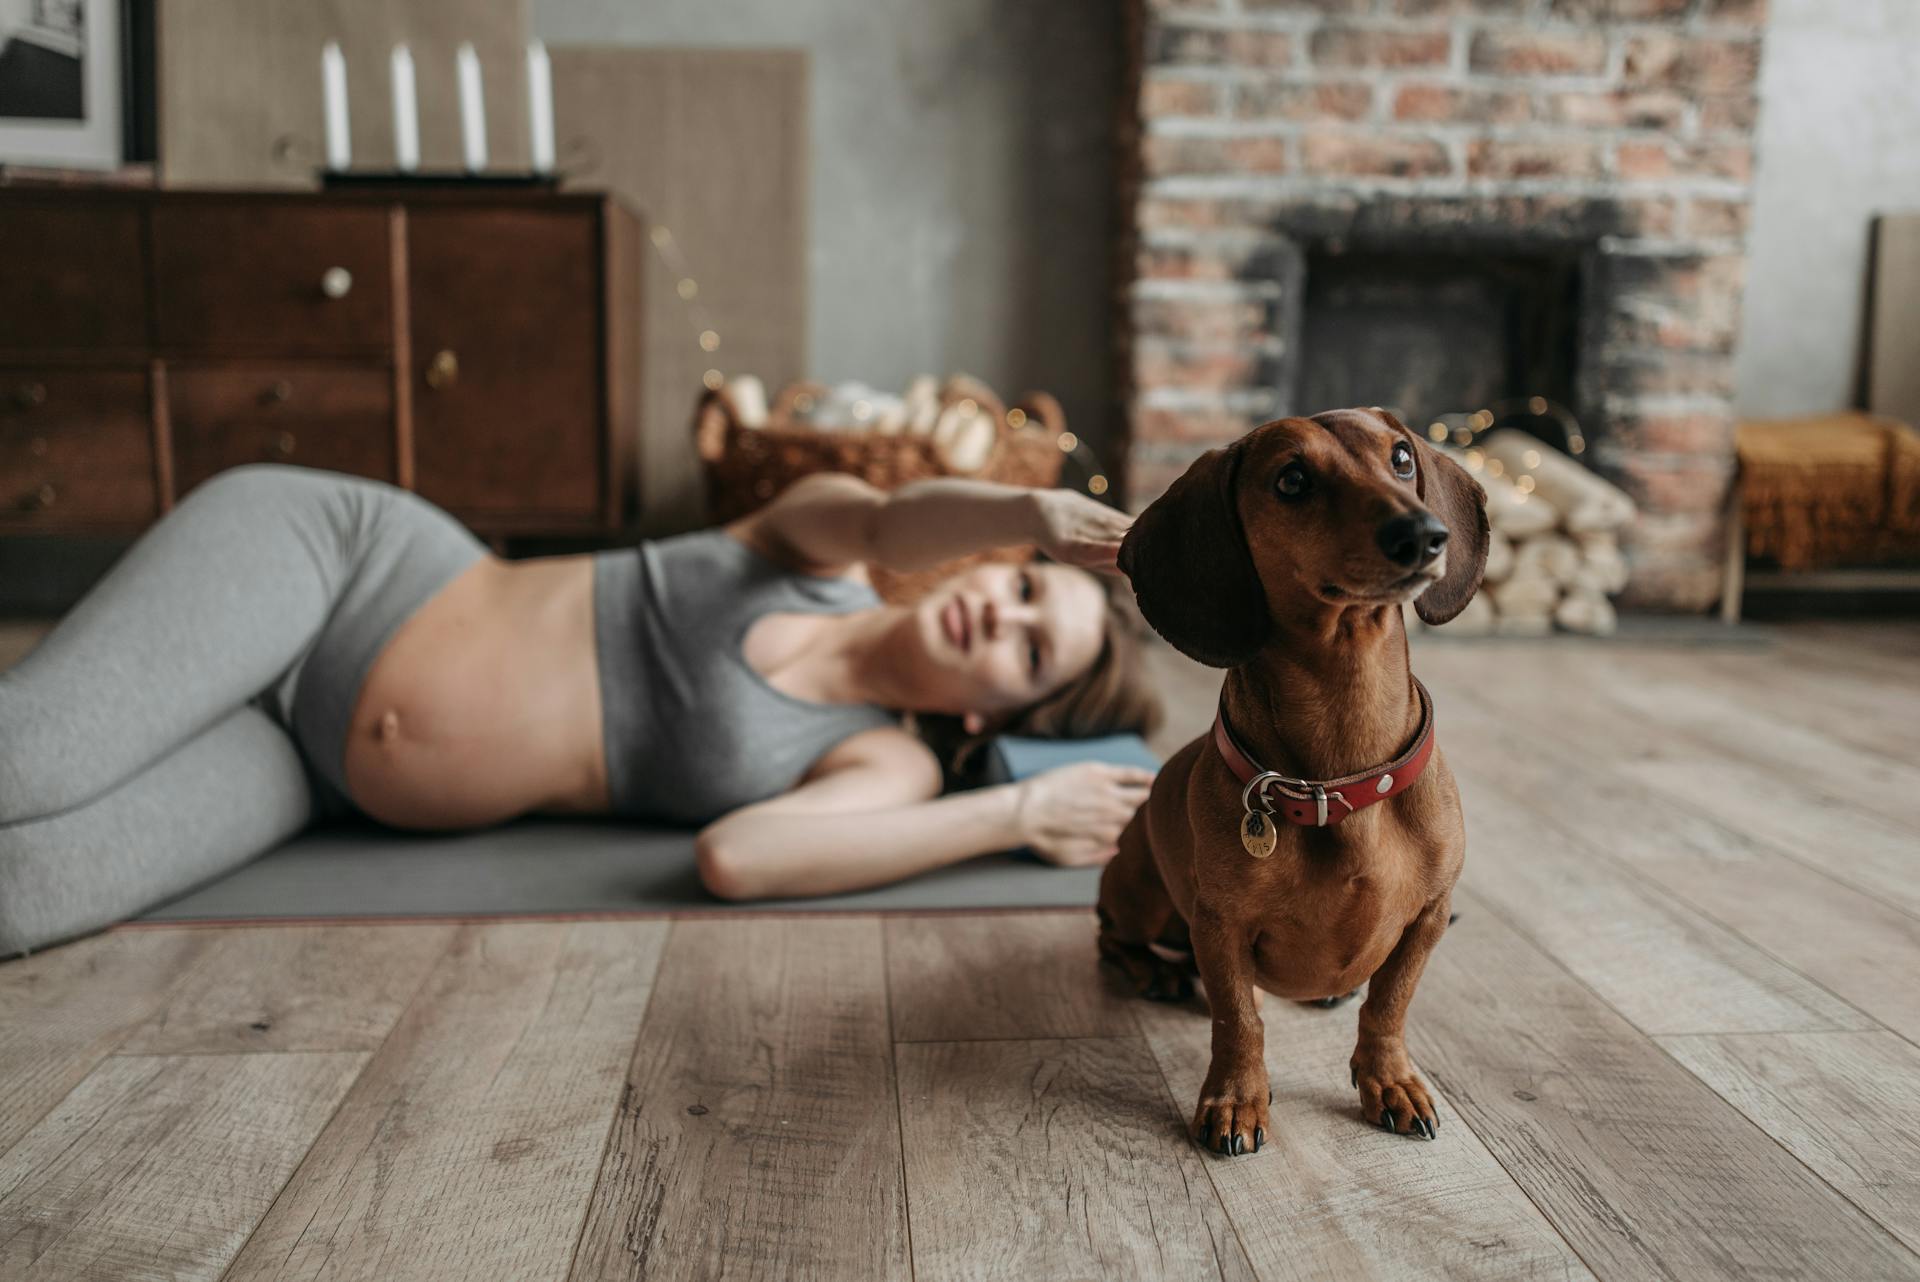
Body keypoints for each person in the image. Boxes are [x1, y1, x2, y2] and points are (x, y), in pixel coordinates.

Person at [0, 464, 1161, 955]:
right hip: (339, 570)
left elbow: (738, 859)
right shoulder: (811, 550)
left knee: (31, 894)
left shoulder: (880, 762)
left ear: (999, 718)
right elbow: (885, 519)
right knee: (28, 761)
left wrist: (1016, 814)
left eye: (1029, 651)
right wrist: (1025, 508)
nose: (998, 616)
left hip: (313, 774)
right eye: (1018, 585)